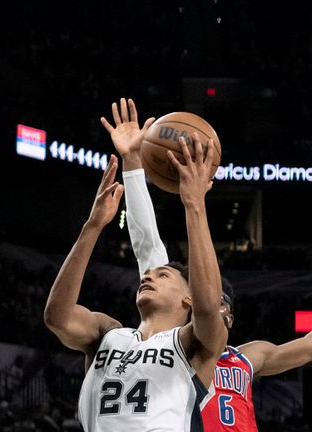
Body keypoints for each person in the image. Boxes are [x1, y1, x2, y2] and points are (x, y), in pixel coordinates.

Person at [103, 97, 312, 431]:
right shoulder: (175, 346)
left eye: (222, 306)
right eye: (210, 303)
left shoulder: (246, 357)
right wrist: (133, 166)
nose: (218, 310)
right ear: (191, 303)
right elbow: (148, 248)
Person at [44, 138, 227, 431]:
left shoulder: (193, 344)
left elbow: (208, 306)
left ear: (188, 298)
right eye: (148, 275)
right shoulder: (108, 333)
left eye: (163, 275)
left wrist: (194, 204)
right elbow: (57, 317)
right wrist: (92, 227)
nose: (148, 275)